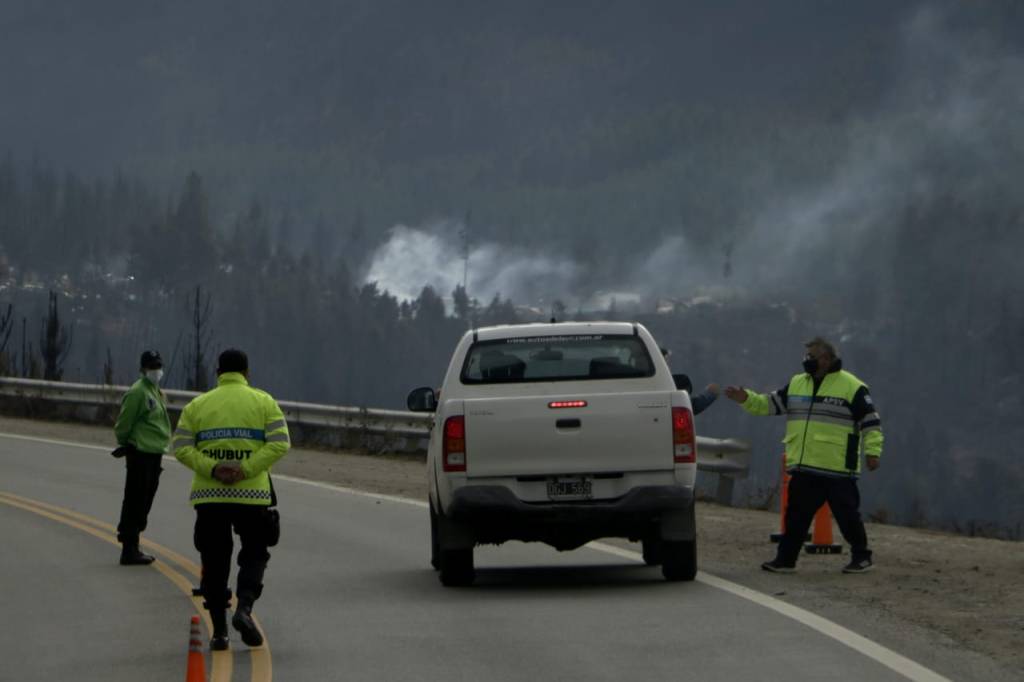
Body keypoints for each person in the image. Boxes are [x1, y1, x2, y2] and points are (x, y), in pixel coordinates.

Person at [724, 337, 883, 574]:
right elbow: (769, 404)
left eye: (812, 356)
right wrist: (746, 398)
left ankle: (862, 557)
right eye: (806, 356)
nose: (806, 361)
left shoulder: (853, 387)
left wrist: (873, 453)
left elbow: (871, 423)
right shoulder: (798, 383)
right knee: (796, 517)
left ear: (827, 359)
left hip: (838, 467)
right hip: (804, 464)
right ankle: (785, 560)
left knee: (847, 516)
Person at [173, 349, 290, 650]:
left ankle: (219, 631)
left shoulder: (198, 405)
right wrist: (246, 469)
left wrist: (213, 468)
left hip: (210, 495)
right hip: (251, 495)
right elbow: (280, 443)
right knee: (254, 553)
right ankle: (244, 609)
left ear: (218, 372)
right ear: (246, 373)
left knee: (214, 559)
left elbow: (181, 447)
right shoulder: (264, 402)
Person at [113, 350, 171, 565]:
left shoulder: (155, 391)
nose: (156, 371)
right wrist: (126, 443)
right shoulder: (138, 392)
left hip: (155, 453)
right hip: (140, 453)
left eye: (158, 366)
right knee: (135, 500)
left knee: (145, 500)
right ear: (143, 369)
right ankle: (129, 547)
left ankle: (133, 542)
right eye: (151, 367)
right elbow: (124, 423)